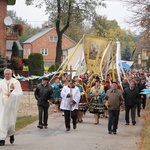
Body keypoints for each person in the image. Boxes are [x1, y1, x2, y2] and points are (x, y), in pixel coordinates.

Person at [0, 69, 23, 146]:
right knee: (2, 121)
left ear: (11, 74)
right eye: (5, 74)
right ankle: (2, 139)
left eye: (8, 74)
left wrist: (12, 95)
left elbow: (19, 92)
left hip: (12, 105)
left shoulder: (15, 82)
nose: (7, 75)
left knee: (11, 121)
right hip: (3, 105)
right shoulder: (1, 83)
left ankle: (11, 134)